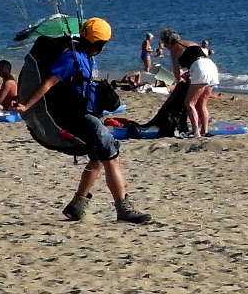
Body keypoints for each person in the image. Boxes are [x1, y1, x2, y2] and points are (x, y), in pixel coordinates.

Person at [17, 17, 151, 225]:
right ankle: (123, 208)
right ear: (100, 44)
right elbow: (49, 83)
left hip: (86, 114)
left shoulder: (86, 55)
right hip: (78, 117)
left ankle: (77, 204)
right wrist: (26, 105)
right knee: (111, 156)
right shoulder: (72, 57)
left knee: (97, 157)